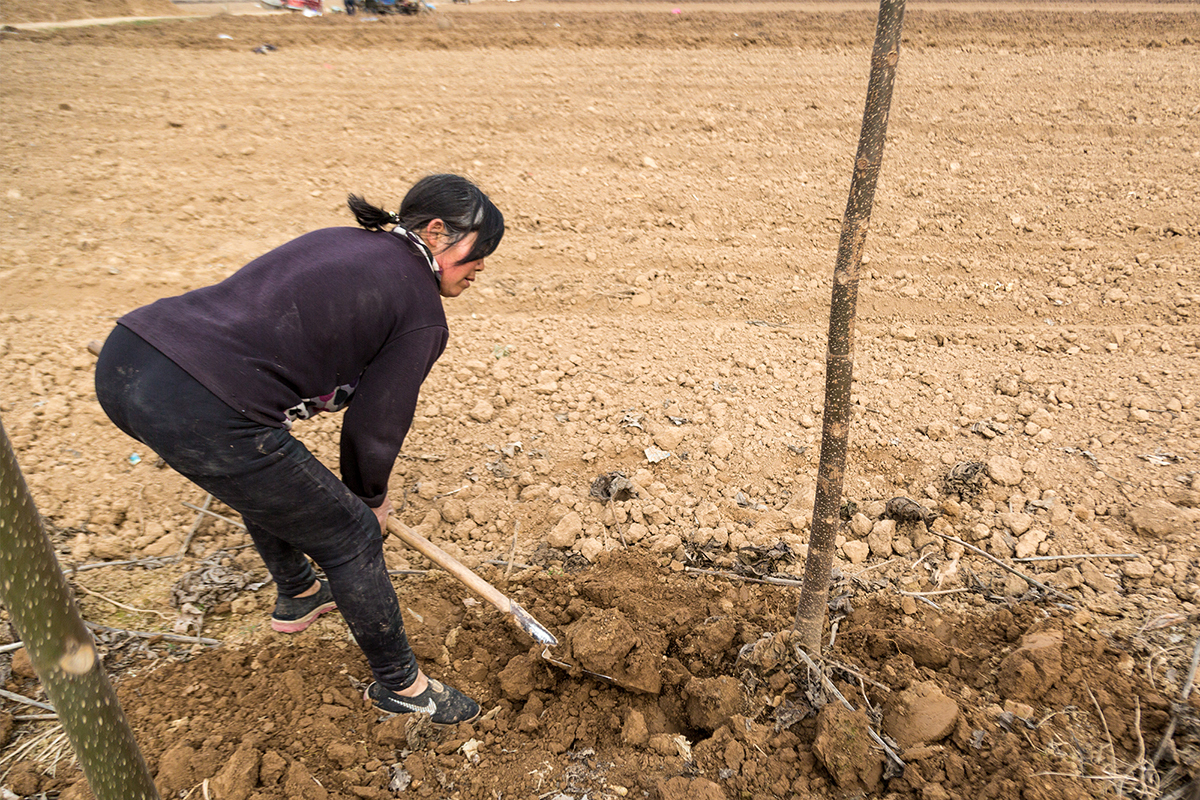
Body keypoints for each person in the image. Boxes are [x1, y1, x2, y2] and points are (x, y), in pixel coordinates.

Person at [95, 174, 503, 725]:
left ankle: (299, 592)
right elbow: (375, 429)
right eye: (479, 253)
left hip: (132, 356)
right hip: (203, 404)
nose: (481, 268)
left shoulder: (342, 241)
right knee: (350, 533)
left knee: (264, 473)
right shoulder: (420, 311)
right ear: (437, 232)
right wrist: (368, 501)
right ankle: (404, 689)